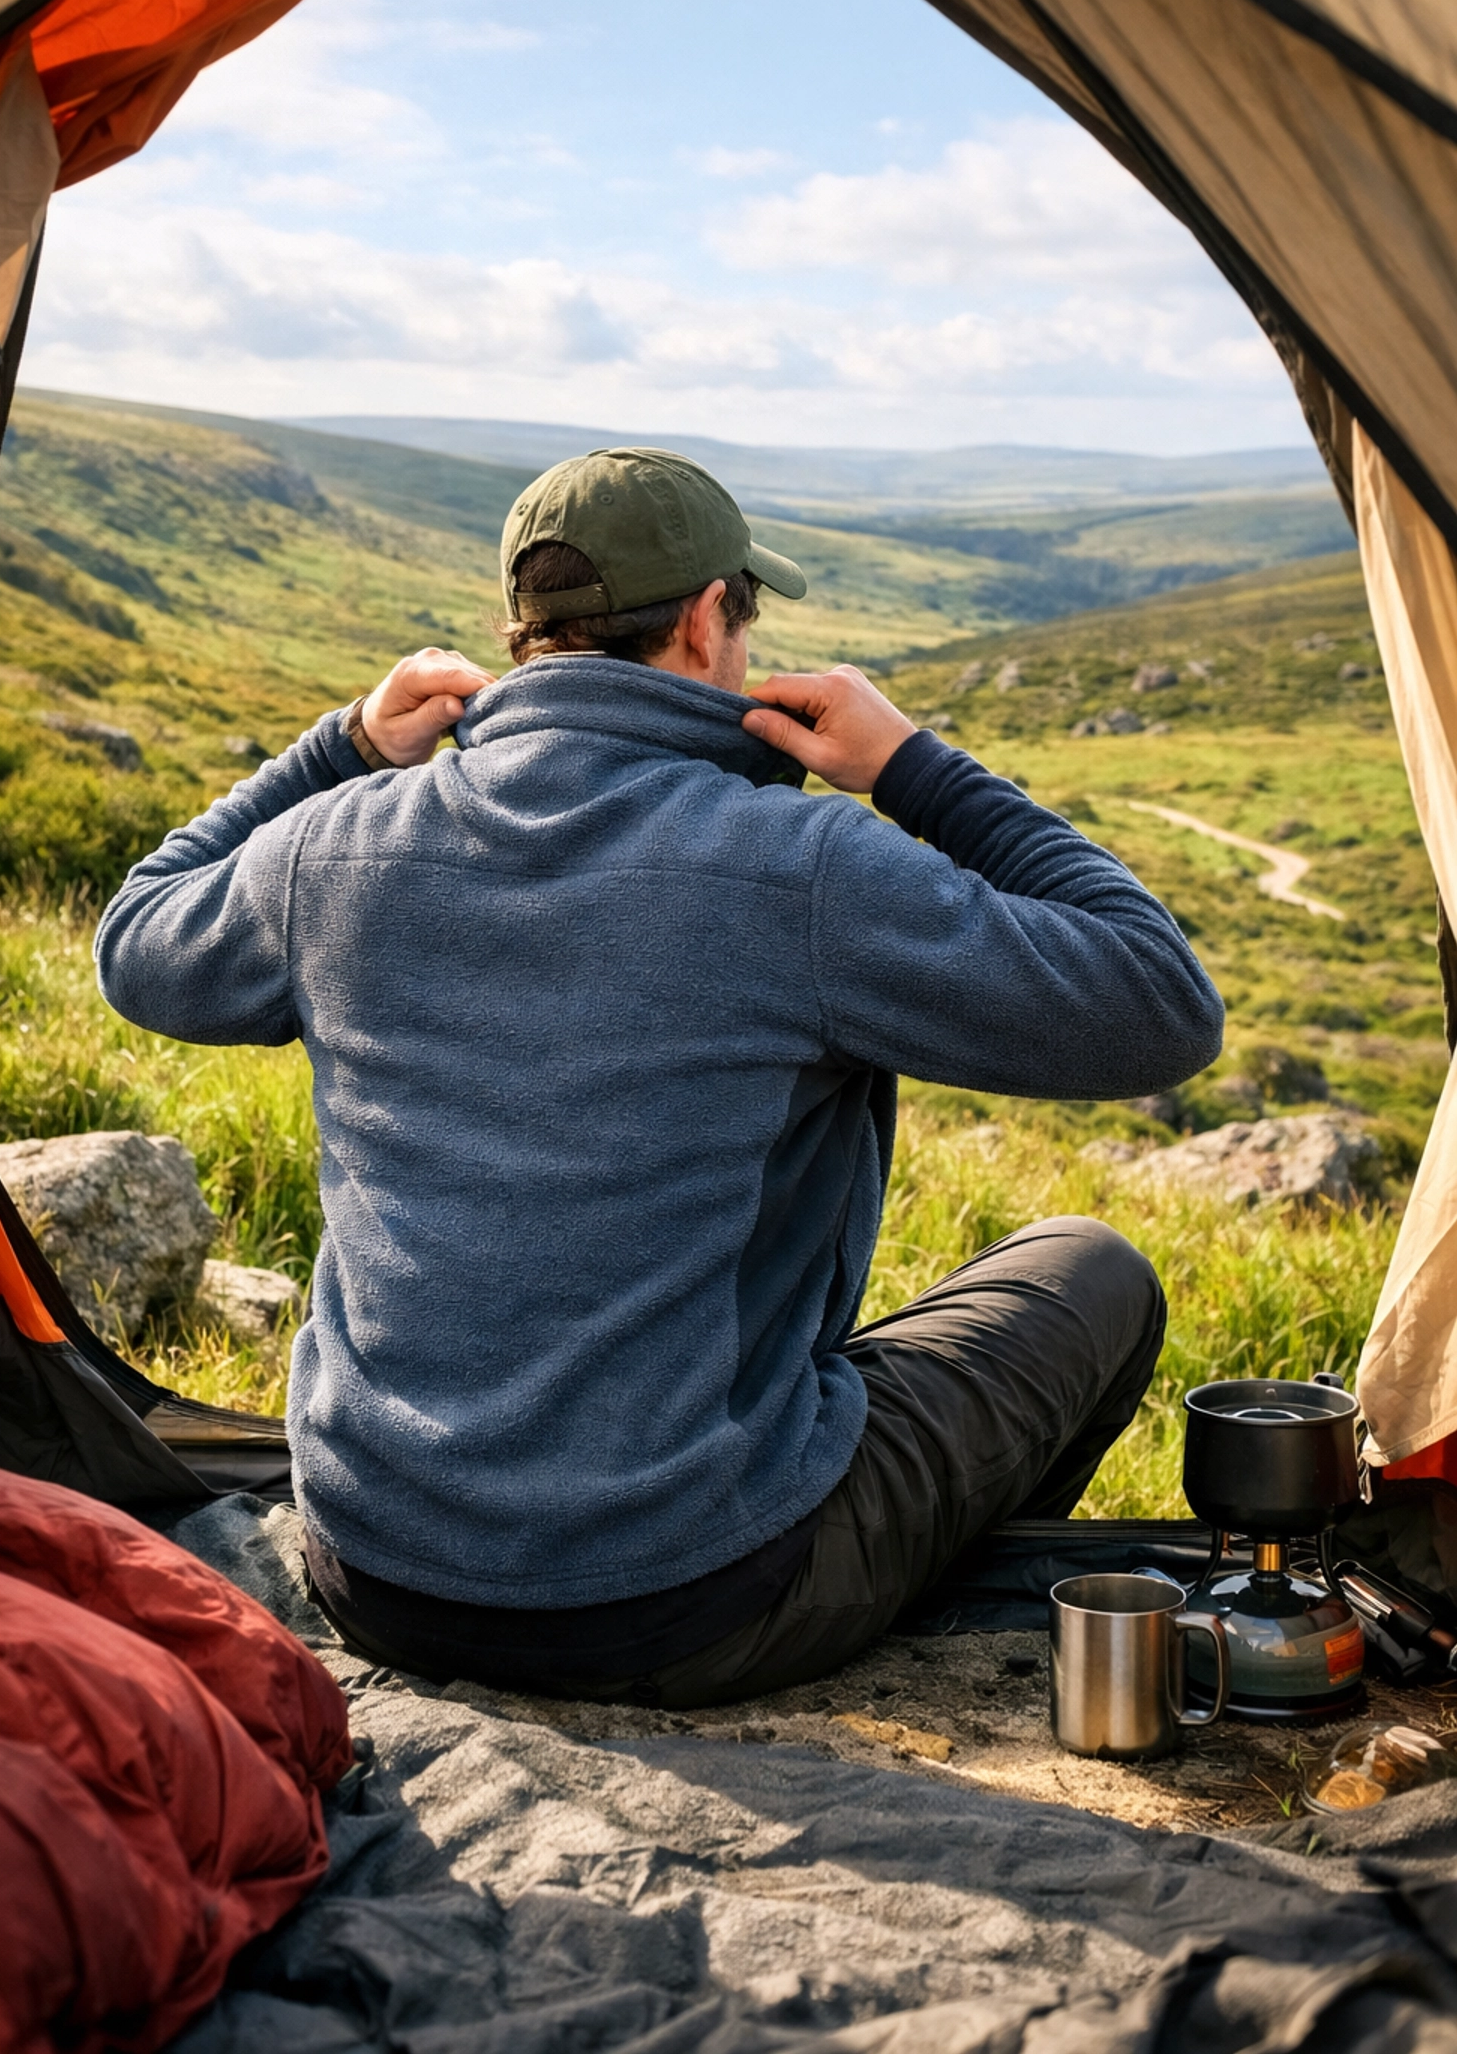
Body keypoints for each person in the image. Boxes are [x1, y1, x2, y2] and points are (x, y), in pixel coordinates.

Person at [96, 447, 1222, 1704]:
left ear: (526, 637)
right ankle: (876, 1628)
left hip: (373, 1566)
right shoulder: (798, 867)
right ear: (703, 620)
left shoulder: (335, 850)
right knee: (1094, 1273)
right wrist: (916, 770)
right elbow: (1161, 1004)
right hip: (679, 1605)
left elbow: (138, 940)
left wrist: (343, 749)